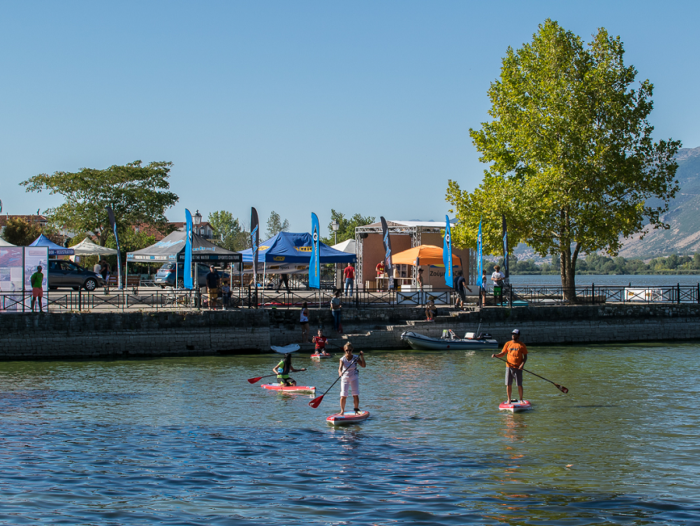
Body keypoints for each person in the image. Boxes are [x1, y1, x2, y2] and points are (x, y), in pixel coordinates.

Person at [491, 329, 528, 404]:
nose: (513, 335)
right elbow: (502, 353)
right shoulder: (508, 343)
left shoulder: (521, 345)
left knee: (519, 384)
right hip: (509, 367)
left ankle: (521, 399)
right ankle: (509, 400)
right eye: (512, 334)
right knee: (508, 384)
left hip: (518, 368)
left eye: (515, 334)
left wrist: (522, 365)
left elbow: (525, 357)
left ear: (518, 336)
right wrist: (496, 355)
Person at [339, 343, 366, 414]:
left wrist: (362, 357)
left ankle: (356, 410)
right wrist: (340, 373)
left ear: (352, 350)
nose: (348, 352)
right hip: (345, 378)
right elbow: (340, 368)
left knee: (355, 394)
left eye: (350, 350)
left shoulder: (356, 357)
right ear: (344, 350)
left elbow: (363, 366)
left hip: (354, 377)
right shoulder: (342, 359)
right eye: (347, 350)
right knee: (343, 395)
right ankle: (342, 411)